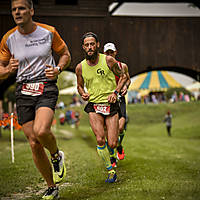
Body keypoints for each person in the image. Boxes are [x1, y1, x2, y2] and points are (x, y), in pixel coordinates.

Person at [0, 0, 71, 199]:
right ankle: (51, 187)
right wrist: (7, 70)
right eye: (14, 9)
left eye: (21, 8)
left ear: (31, 10)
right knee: (33, 143)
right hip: (23, 90)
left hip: (45, 86)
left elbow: (65, 54)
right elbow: (1, 70)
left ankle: (56, 155)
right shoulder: (9, 38)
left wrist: (57, 69)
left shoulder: (48, 32)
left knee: (41, 131)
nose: (17, 12)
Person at [75, 32, 127, 183]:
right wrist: (83, 93)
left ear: (97, 45)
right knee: (99, 139)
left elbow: (123, 76)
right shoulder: (80, 67)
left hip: (111, 105)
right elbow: (79, 86)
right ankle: (110, 171)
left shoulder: (108, 60)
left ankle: (116, 149)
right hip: (94, 106)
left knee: (112, 143)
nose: (90, 47)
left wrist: (115, 92)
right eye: (87, 45)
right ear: (83, 47)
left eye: (92, 44)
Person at [103, 42, 131, 167]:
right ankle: (112, 156)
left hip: (119, 99)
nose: (109, 54)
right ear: (104, 53)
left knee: (120, 127)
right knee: (107, 132)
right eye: (107, 52)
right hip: (106, 100)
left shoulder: (122, 66)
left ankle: (119, 146)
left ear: (115, 52)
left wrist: (125, 86)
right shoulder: (101, 67)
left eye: (111, 52)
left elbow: (128, 79)